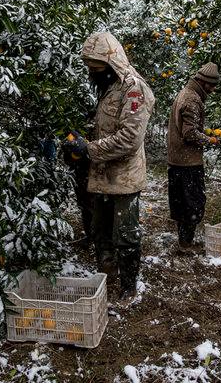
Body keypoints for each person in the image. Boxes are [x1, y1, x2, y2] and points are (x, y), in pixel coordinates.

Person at [63, 31, 155, 302]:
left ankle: (128, 285)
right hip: (103, 173)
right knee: (100, 228)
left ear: (111, 62)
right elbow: (105, 126)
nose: (92, 72)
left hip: (124, 176)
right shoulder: (110, 86)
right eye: (90, 66)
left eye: (96, 66)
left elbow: (129, 138)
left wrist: (89, 150)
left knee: (125, 233)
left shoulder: (133, 88)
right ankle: (106, 274)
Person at [166, 62, 221, 255]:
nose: (213, 90)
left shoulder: (185, 93)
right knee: (193, 203)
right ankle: (186, 244)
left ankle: (183, 241)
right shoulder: (193, 100)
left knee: (181, 202)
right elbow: (189, 133)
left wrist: (205, 132)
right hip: (188, 163)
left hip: (176, 160)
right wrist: (212, 140)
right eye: (212, 85)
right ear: (204, 82)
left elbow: (186, 126)